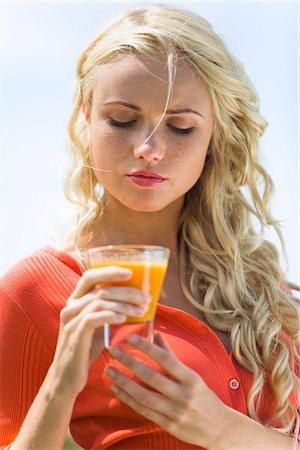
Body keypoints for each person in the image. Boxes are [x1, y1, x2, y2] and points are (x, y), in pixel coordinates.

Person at [0, 3, 299, 449]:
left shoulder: (256, 289)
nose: (149, 149)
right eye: (122, 120)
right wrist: (60, 384)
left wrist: (226, 432)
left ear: (214, 135)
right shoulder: (36, 292)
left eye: (180, 127)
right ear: (86, 117)